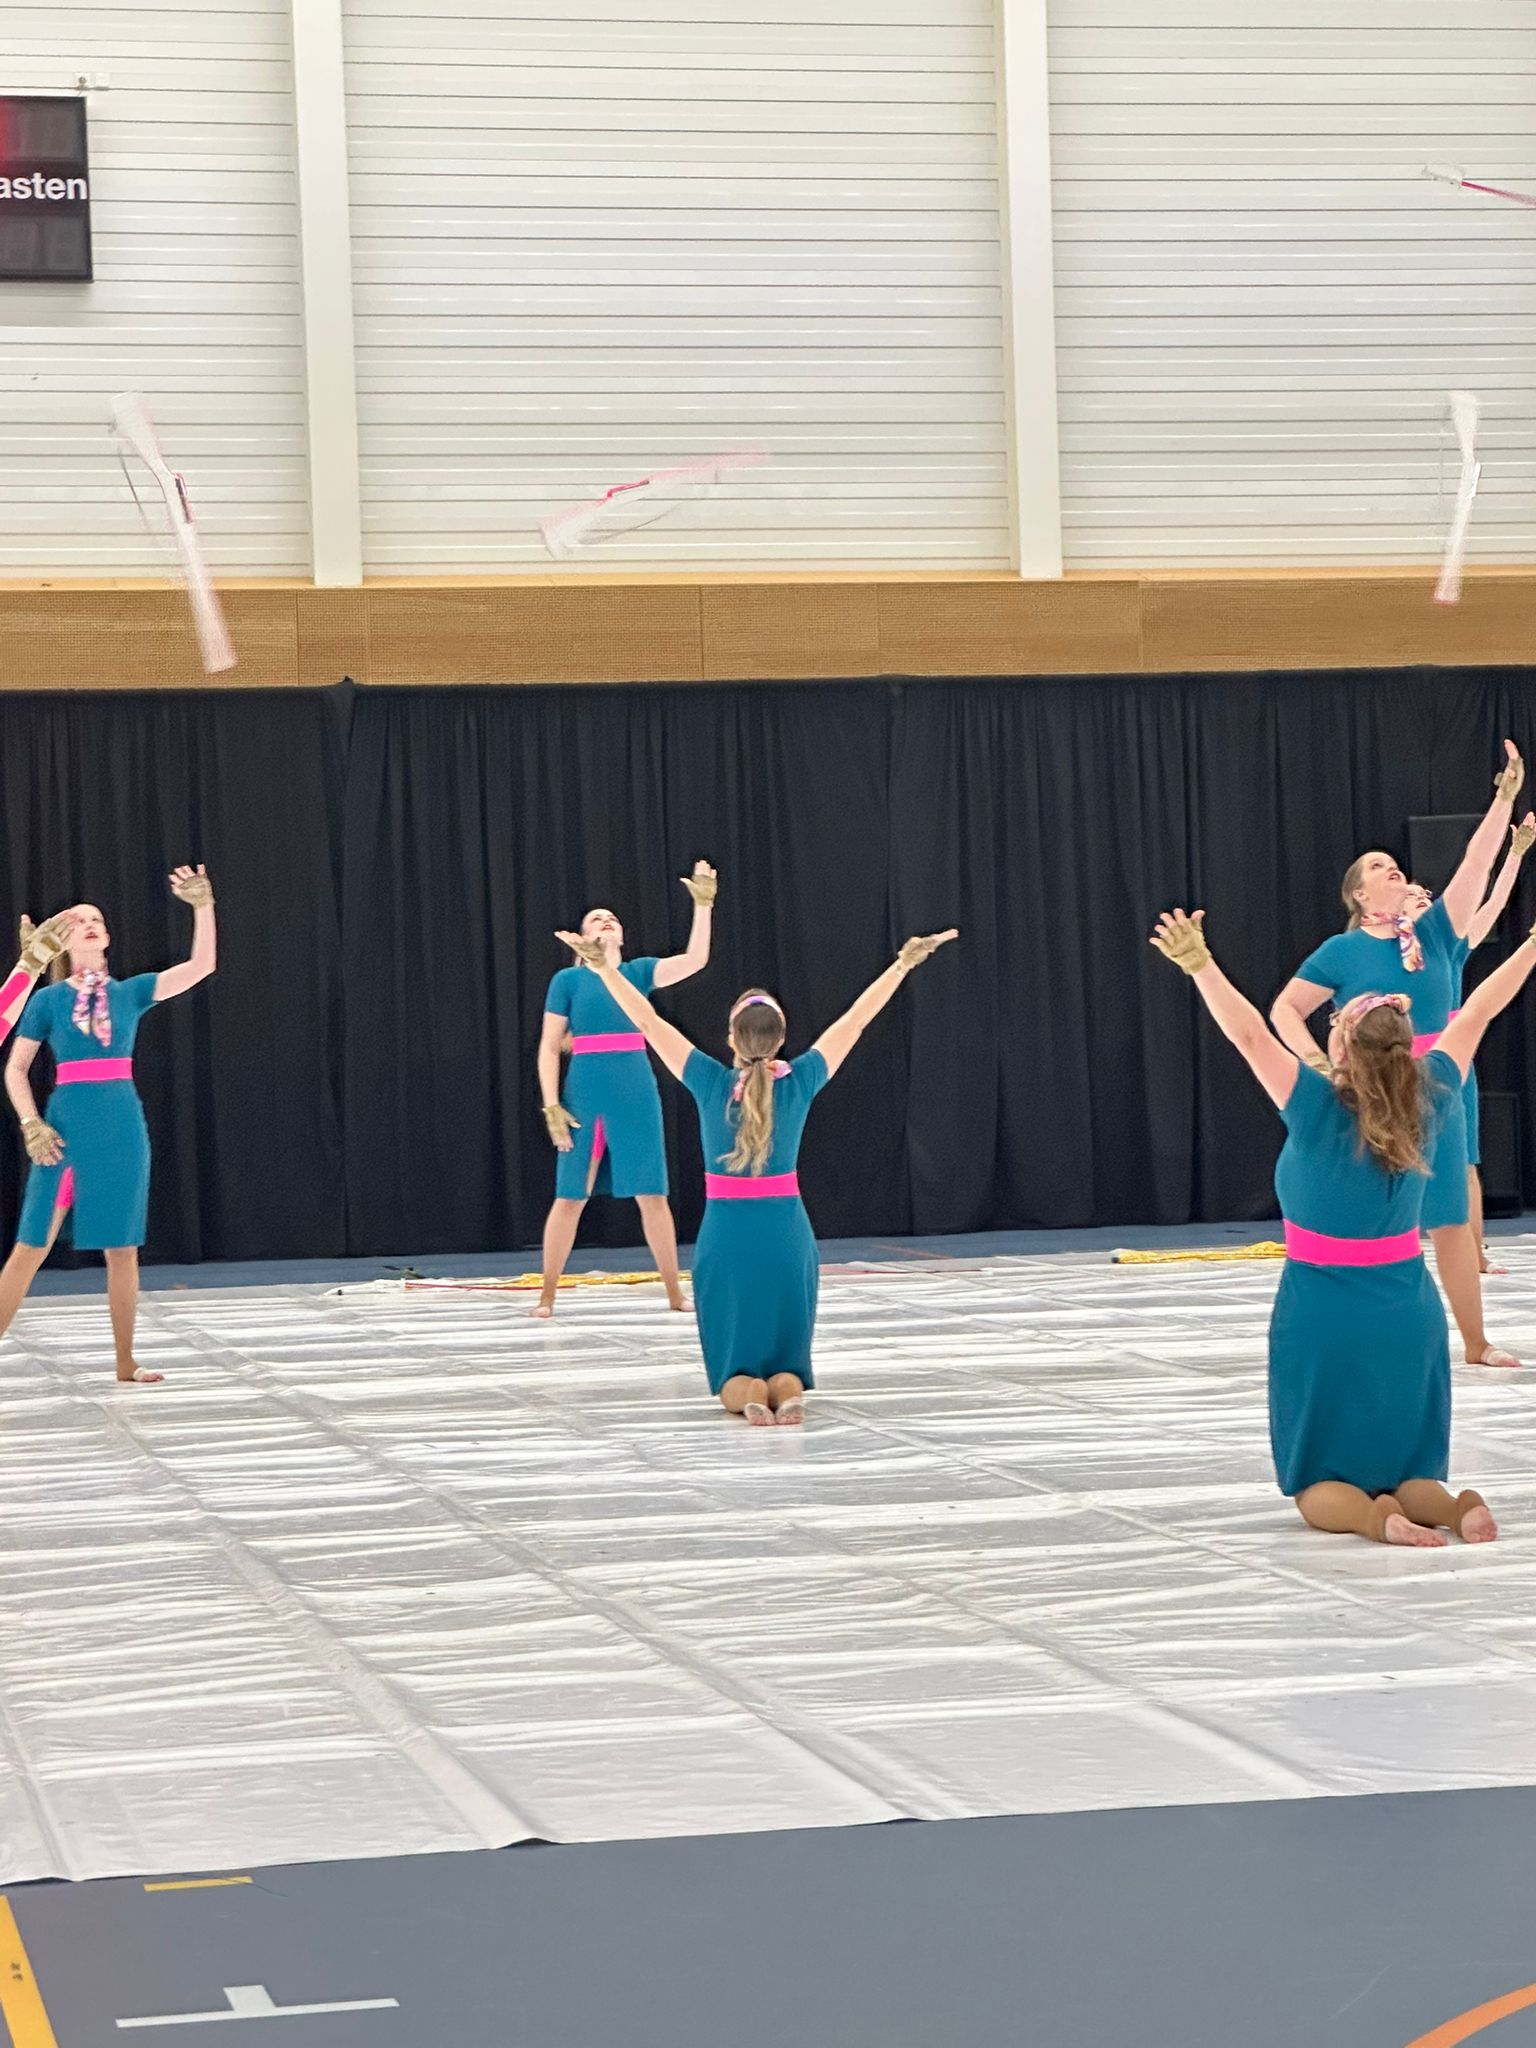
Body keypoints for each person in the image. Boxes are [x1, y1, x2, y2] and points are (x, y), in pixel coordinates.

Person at [1153, 903, 1536, 1546]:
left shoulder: (1312, 1102)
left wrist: (1200, 965)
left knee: (1319, 1483)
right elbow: (1477, 1012)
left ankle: (1372, 1519)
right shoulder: (1434, 1089)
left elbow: (1251, 1036)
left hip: (1323, 1308)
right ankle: (1451, 1508)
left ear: (1343, 1046)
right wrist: (1530, 948)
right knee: (1412, 1472)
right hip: (1409, 1309)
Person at [553, 926, 958, 1422]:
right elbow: (856, 1020)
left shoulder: (707, 1080)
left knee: (735, 1371)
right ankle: (787, 1394)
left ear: (731, 1039)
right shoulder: (801, 1080)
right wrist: (902, 965)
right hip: (787, 1235)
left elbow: (645, 1019)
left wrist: (602, 969)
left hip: (727, 1236)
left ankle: (747, 1397)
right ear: (782, 1039)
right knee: (787, 1366)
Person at [1269, 742, 1524, 1368]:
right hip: (1373, 1093)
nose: (1394, 870)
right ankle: (1365, 1337)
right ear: (1359, 895)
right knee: (1376, 1219)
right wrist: (1320, 1064)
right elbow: (1283, 1010)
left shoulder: (1435, 932)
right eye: (1379, 867)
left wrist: (1503, 800)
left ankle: (1476, 1342)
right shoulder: (1340, 951)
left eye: (1395, 865)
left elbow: (1476, 864)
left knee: (1450, 1219)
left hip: (1435, 1085)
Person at [0, 867, 217, 1385]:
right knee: (31, 1245)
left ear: (109, 936)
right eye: (76, 921)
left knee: (122, 1248)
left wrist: (203, 908)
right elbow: (15, 1068)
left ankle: (125, 1361)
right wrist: (31, 1123)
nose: (89, 924)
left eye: (96, 918)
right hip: (64, 1129)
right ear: (60, 940)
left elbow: (202, 966)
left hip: (121, 1128)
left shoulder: (131, 992)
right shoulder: (47, 1000)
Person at [534, 862, 717, 1319]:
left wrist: (703, 906)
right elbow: (549, 1047)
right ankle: (546, 1296)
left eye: (611, 918)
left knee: (653, 1194)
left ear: (622, 936)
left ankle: (675, 1294)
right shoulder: (568, 981)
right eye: (596, 919)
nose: (606, 920)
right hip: (585, 1093)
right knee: (570, 1196)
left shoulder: (639, 972)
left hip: (635, 1091)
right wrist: (552, 1105)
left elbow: (695, 960)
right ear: (581, 938)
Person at [1404, 810, 1536, 1274]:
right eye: (1413, 896)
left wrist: (1515, 853)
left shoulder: (1450, 945)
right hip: (1399, 1062)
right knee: (1398, 1156)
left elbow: (1494, 903)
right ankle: (1396, 1243)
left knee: (1463, 1160)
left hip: (1450, 1060)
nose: (1423, 898)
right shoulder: (1378, 948)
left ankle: (1475, 1252)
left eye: (1426, 895)